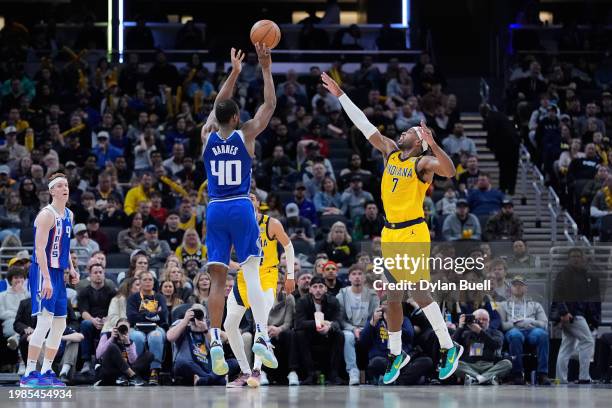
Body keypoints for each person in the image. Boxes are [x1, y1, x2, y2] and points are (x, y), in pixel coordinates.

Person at [322, 72, 463, 384]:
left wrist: (433, 143)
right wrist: (340, 94)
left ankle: (449, 346)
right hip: (390, 233)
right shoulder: (390, 152)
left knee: (417, 290)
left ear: (420, 141)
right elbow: (364, 125)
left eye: (411, 131)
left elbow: (450, 172)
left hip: (413, 231)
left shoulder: (422, 164)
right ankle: (397, 353)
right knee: (393, 298)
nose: (403, 132)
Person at [200, 45, 277, 376]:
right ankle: (261, 334)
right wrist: (265, 68)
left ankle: (214, 340)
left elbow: (218, 106)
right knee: (250, 273)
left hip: (215, 208)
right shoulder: (246, 134)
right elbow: (269, 105)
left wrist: (233, 72)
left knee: (218, 281)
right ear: (235, 118)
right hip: (243, 206)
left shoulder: (206, 136)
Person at [224, 194, 295, 387]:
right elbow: (223, 253)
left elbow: (288, 247)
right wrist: (236, 265)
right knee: (229, 325)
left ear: (257, 204)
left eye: (253, 197)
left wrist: (290, 275)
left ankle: (256, 371)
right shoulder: (236, 224)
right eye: (245, 197)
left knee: (260, 322)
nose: (249, 199)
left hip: (266, 276)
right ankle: (245, 371)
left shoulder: (270, 223)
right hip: (243, 278)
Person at [20, 173, 79, 388]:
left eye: (67, 185)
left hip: (58, 273)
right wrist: (46, 278)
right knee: (44, 321)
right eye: (60, 185)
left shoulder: (69, 215)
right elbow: (39, 249)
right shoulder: (46, 215)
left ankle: (46, 370)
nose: (65, 188)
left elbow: (65, 246)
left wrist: (72, 268)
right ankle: (29, 373)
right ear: (52, 191)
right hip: (42, 271)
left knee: (60, 323)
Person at [551, 248, 600, 384]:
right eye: (573, 256)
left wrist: (592, 318)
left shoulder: (585, 275)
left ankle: (560, 379)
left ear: (583, 258)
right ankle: (584, 377)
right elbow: (557, 294)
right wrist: (563, 312)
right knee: (588, 341)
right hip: (571, 315)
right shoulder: (563, 274)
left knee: (567, 345)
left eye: (578, 256)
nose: (576, 258)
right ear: (568, 259)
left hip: (578, 314)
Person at [168, 303, 239, 385]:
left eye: (200, 316)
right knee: (182, 362)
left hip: (208, 365)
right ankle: (216, 379)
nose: (196, 319)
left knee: (234, 363)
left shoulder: (208, 326)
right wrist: (185, 321)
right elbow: (170, 337)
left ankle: (203, 380)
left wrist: (206, 331)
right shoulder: (182, 323)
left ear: (205, 317)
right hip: (189, 364)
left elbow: (225, 338)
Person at [498, 276, 551, 385]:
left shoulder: (536, 305)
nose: (517, 287)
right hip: (514, 330)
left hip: (531, 330)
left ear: (526, 288)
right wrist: (514, 323)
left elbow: (544, 324)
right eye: (515, 285)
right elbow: (502, 325)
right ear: (510, 288)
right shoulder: (503, 305)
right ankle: (517, 374)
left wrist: (531, 321)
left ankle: (542, 374)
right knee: (515, 336)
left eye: (521, 285)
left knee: (543, 334)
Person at [294, 276, 344, 384]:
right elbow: (299, 323)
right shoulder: (302, 301)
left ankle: (334, 374)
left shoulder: (333, 301)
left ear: (326, 289)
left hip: (327, 334)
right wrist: (319, 323)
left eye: (321, 287)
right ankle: (310, 374)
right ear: (310, 289)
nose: (318, 290)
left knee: (340, 334)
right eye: (315, 287)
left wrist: (329, 326)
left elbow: (338, 321)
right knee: (299, 334)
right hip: (310, 334)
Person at [336, 264, 380, 385]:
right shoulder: (342, 295)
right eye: (354, 274)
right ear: (349, 278)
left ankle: (377, 371)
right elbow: (340, 319)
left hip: (368, 328)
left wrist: (365, 329)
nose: (357, 277)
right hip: (348, 329)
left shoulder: (372, 295)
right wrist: (353, 329)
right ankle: (353, 371)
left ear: (364, 277)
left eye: (360, 274)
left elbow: (375, 316)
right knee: (348, 336)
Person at [126, 271, 168, 385]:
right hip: (137, 327)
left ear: (154, 282)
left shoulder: (160, 297)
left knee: (156, 337)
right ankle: (135, 370)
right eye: (145, 279)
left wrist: (143, 315)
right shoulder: (133, 298)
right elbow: (131, 317)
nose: (148, 282)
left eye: (150, 279)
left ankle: (154, 371)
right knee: (137, 338)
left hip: (156, 327)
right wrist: (152, 314)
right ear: (140, 282)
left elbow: (163, 316)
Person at [453, 309, 511, 385]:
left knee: (507, 363)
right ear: (473, 320)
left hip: (489, 366)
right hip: (470, 366)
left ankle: (476, 379)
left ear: (489, 321)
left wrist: (480, 332)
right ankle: (486, 378)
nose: (481, 321)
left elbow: (496, 345)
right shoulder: (466, 333)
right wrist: (460, 327)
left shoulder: (496, 333)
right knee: (454, 364)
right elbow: (453, 345)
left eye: (484, 319)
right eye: (478, 319)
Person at [77, 263, 117, 374]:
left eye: (100, 272)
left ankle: (103, 361)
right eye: (95, 272)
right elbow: (83, 311)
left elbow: (114, 311)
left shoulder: (111, 291)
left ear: (104, 274)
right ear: (90, 275)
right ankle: (86, 361)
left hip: (107, 321)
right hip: (91, 321)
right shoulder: (84, 292)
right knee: (85, 324)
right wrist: (93, 320)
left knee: (110, 327)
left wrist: (106, 320)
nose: (98, 275)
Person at [95, 318, 149, 386]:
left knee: (149, 355)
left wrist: (127, 344)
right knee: (112, 347)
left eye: (125, 328)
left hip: (123, 371)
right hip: (109, 370)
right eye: (121, 327)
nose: (123, 330)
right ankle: (133, 376)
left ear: (129, 330)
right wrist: (111, 339)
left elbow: (133, 361)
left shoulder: (130, 341)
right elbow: (98, 355)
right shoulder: (107, 336)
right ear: (116, 328)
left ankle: (129, 378)